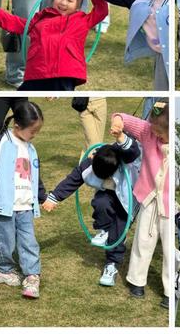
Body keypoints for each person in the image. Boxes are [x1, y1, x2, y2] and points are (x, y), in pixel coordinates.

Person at [41, 123, 141, 287]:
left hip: (128, 197)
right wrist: (53, 198)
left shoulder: (124, 157)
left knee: (118, 230)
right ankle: (103, 230)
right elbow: (73, 180)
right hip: (108, 194)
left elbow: (133, 151)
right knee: (101, 203)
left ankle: (112, 264)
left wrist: (121, 137)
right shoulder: (92, 160)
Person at [0, 101, 47, 299]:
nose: (34, 135)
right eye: (32, 131)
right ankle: (3, 270)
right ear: (17, 126)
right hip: (5, 204)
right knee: (5, 240)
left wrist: (41, 196)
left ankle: (32, 274)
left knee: (29, 241)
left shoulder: (31, 149)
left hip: (25, 205)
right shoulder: (0, 143)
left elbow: (35, 175)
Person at [0, 0, 108, 90]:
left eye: (70, 0)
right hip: (37, 71)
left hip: (65, 73)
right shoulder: (39, 19)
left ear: (77, 7)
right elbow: (16, 23)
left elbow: (101, 12)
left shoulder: (82, 20)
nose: (63, 3)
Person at [111, 100, 170, 309]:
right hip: (148, 197)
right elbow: (125, 119)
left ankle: (169, 291)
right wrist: (118, 121)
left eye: (160, 133)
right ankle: (136, 280)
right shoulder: (148, 133)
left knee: (170, 250)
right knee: (142, 240)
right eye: (153, 131)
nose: (156, 136)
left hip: (168, 206)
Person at [90, 0, 169, 90]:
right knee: (161, 91)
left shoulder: (173, 5)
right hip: (161, 57)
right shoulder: (146, 2)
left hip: (169, 56)